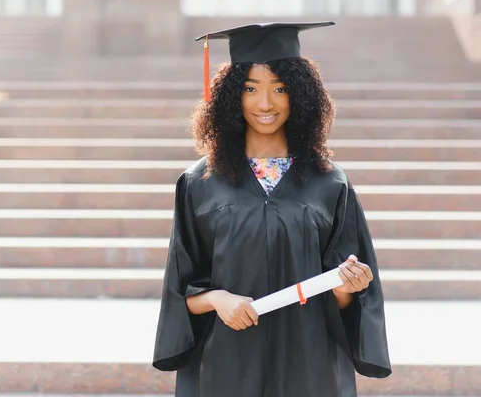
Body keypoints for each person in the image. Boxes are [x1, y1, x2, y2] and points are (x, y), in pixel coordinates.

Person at [152, 22, 392, 397]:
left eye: (280, 88)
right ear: (231, 97)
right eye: (250, 89)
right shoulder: (200, 183)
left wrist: (348, 288)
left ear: (300, 95)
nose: (265, 104)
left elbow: (347, 299)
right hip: (227, 363)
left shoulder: (329, 183)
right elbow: (180, 290)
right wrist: (217, 298)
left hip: (307, 362)